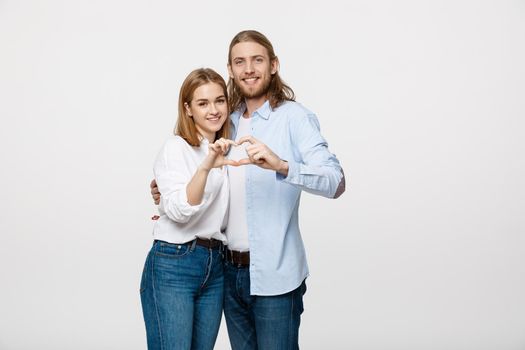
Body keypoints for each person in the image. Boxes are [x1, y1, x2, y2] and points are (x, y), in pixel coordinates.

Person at [151, 30, 346, 349]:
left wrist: (282, 165)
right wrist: (166, 189)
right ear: (230, 69)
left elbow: (335, 181)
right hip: (225, 273)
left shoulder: (295, 118)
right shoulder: (224, 121)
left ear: (273, 65)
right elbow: (200, 175)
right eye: (239, 61)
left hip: (276, 274)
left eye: (257, 59)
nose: (249, 68)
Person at [140, 68, 238, 350]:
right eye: (203, 103)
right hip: (175, 262)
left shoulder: (226, 148)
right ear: (188, 108)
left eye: (220, 101)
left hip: (216, 264)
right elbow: (181, 211)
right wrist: (206, 167)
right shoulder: (176, 148)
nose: (214, 110)